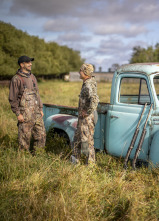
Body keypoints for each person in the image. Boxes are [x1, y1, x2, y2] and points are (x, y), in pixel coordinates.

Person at [9, 55, 46, 151]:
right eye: (28, 62)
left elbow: (37, 93)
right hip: (25, 114)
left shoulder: (32, 77)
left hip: (37, 113)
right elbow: (12, 98)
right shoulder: (16, 79)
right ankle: (24, 159)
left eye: (30, 62)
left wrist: (40, 108)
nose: (31, 64)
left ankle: (38, 156)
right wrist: (18, 114)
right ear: (22, 64)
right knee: (24, 138)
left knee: (41, 135)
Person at [71, 63, 99, 164]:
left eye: (81, 70)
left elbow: (95, 100)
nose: (79, 72)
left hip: (86, 119)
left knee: (87, 141)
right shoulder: (89, 82)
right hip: (83, 118)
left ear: (86, 73)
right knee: (77, 139)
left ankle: (90, 164)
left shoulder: (88, 84)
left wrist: (87, 112)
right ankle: (75, 161)